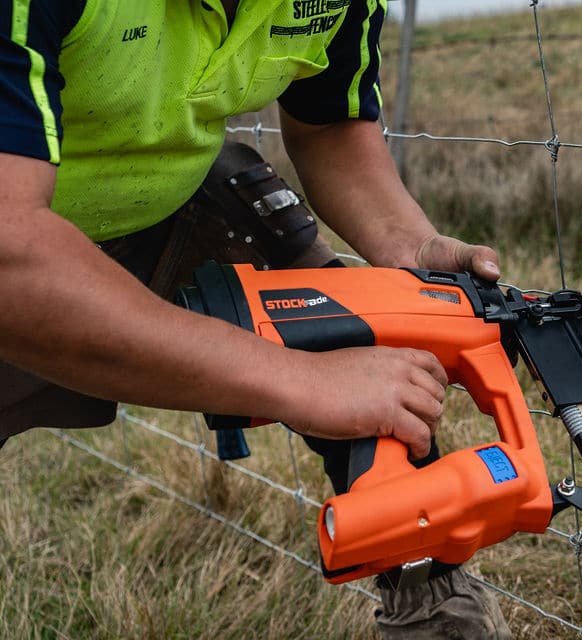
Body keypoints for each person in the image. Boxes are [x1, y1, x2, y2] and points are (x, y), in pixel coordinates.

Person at [0, 1, 511, 637]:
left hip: (167, 205)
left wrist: (408, 247)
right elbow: (10, 255)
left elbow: (329, 128)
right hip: (19, 234)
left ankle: (435, 605)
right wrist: (299, 379)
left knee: (356, 328)